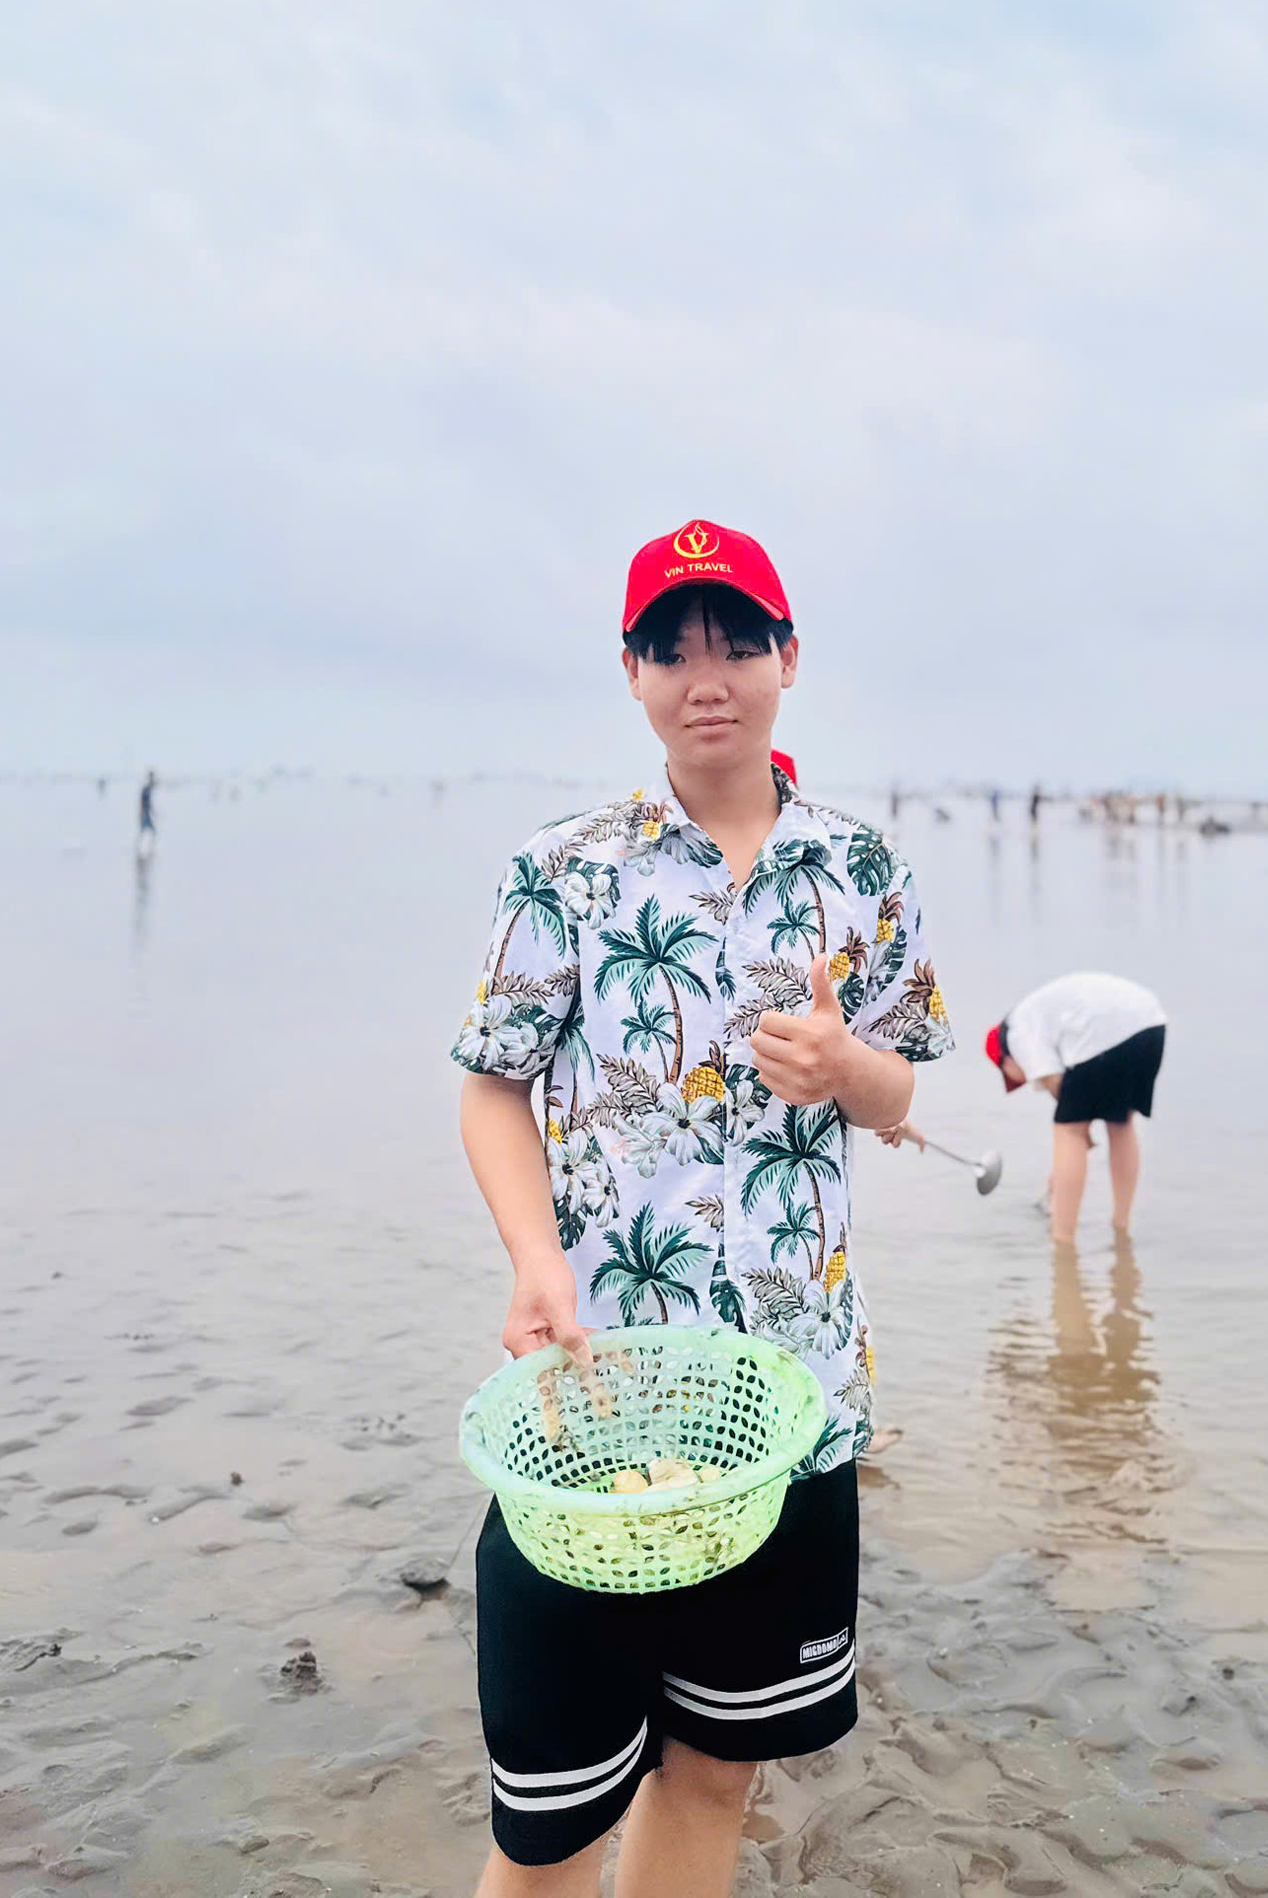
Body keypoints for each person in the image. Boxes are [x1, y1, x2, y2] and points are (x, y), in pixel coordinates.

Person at [451, 518, 952, 1897]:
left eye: (736, 642)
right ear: (633, 675)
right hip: (597, 1401)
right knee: (549, 1816)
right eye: (671, 649)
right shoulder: (565, 868)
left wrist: (848, 1068)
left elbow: (901, 1095)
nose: (706, 676)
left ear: (790, 657)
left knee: (719, 1770)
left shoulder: (863, 872)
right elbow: (491, 1086)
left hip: (796, 1399)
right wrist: (534, 1258)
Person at [985, 971, 1165, 1242]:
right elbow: (1080, 1095)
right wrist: (1084, 1130)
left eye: (1009, 1076)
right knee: (1121, 1122)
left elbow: (1058, 1087)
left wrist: (1075, 1143)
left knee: (1067, 1131)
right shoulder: (1037, 1013)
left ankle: (1063, 1240)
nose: (1020, 1081)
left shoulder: (1016, 1032)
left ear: (1004, 1058)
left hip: (1104, 1033)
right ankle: (1121, 1226)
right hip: (1151, 1023)